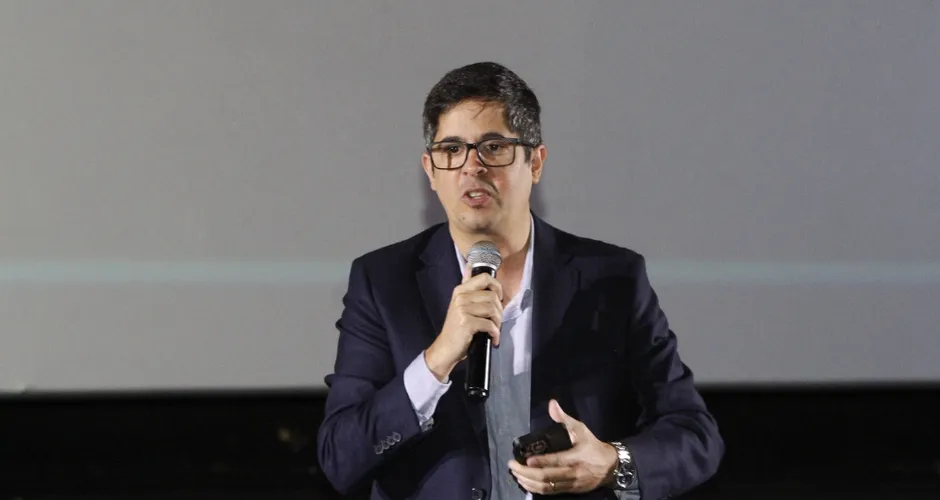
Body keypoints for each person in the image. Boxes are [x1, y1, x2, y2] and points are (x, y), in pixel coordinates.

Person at [317, 61, 723, 500]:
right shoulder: (382, 282)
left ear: (536, 162)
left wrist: (611, 462)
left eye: (493, 147)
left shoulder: (612, 278)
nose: (471, 167)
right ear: (430, 171)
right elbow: (341, 457)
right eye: (451, 150)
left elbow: (695, 436)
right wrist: (436, 360)